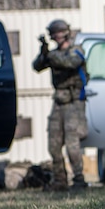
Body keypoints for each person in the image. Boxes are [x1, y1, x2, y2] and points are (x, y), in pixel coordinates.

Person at [32, 19, 89, 191]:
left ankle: (79, 180)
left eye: (58, 32)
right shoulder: (53, 54)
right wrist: (43, 53)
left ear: (65, 32)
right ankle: (60, 180)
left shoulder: (76, 50)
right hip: (58, 102)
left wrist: (49, 56)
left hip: (74, 102)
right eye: (53, 33)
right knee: (54, 144)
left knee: (72, 144)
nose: (55, 36)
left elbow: (71, 63)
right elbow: (37, 66)